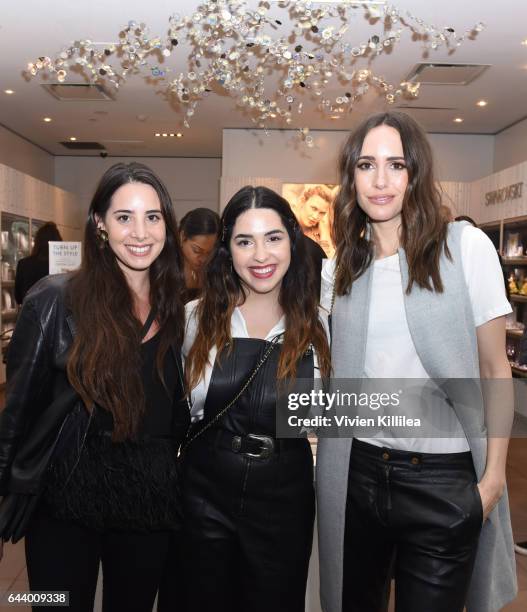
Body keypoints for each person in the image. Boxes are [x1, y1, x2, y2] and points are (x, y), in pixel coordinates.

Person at [317, 111, 517, 611]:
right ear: (351, 177)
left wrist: (491, 482)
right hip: (358, 476)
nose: (380, 180)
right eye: (366, 165)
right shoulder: (340, 269)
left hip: (442, 480)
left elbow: (496, 370)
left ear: (416, 174)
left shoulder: (464, 249)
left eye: (396, 164)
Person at [0, 162, 189, 611]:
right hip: (63, 496)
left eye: (153, 216)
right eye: (124, 217)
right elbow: (17, 410)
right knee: (52, 603)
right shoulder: (53, 299)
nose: (139, 232)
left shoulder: (179, 308)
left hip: (148, 499)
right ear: (100, 224)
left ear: (167, 224)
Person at [181, 186, 331, 612]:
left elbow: (329, 417)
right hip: (204, 491)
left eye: (273, 238)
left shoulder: (321, 325)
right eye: (244, 241)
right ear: (227, 250)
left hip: (285, 497)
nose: (260, 255)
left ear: (292, 241)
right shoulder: (196, 318)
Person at [14, 221, 62, 304]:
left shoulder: (23, 264)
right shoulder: (61, 267)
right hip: (55, 315)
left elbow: (18, 298)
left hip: (30, 314)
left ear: (37, 242)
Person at [179, 207, 220, 303]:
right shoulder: (164, 265)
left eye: (209, 253)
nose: (203, 259)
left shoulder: (216, 267)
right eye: (196, 250)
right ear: (182, 237)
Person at [293, 185, 334, 256]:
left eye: (322, 213)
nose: (316, 216)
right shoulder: (286, 225)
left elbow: (329, 266)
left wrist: (325, 234)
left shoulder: (319, 233)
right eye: (314, 208)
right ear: (302, 201)